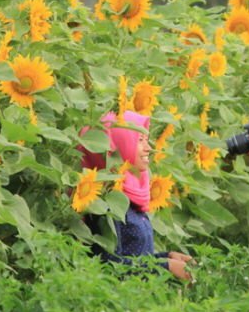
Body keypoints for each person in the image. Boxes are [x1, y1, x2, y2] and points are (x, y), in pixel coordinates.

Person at [79, 110, 194, 280]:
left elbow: (134, 257)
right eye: (140, 141)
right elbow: (107, 265)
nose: (149, 148)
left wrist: (167, 257)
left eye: (147, 141)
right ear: (118, 145)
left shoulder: (128, 198)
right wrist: (166, 267)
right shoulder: (105, 205)